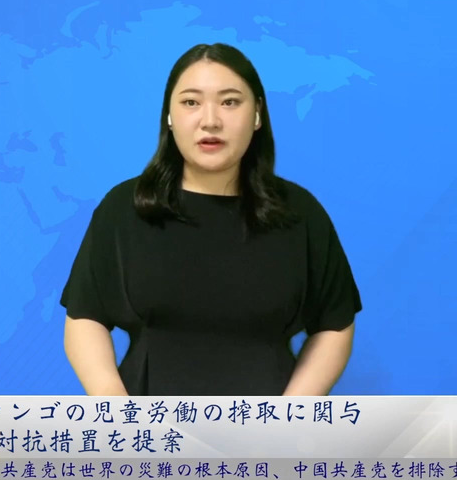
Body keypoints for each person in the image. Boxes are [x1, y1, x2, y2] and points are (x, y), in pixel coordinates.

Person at [61, 43, 362, 396]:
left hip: (267, 423)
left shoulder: (299, 212)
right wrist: (114, 406)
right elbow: (84, 317)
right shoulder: (125, 208)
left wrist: (291, 413)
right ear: (169, 116)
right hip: (145, 421)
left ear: (257, 114)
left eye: (230, 102)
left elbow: (335, 324)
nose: (210, 121)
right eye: (191, 102)